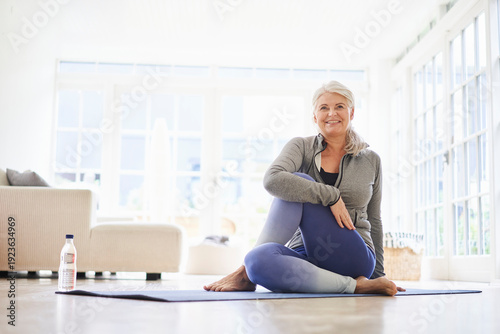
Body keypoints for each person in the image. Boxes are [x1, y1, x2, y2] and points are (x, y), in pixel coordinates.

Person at [204, 81, 405, 296]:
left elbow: (374, 219)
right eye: (324, 108)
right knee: (256, 260)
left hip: (353, 254)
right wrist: (331, 196)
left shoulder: (371, 160)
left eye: (339, 107)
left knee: (297, 180)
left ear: (351, 113)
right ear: (314, 116)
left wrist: (379, 275)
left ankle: (242, 275)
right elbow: (272, 179)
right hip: (306, 256)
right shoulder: (300, 147)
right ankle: (354, 286)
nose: (331, 113)